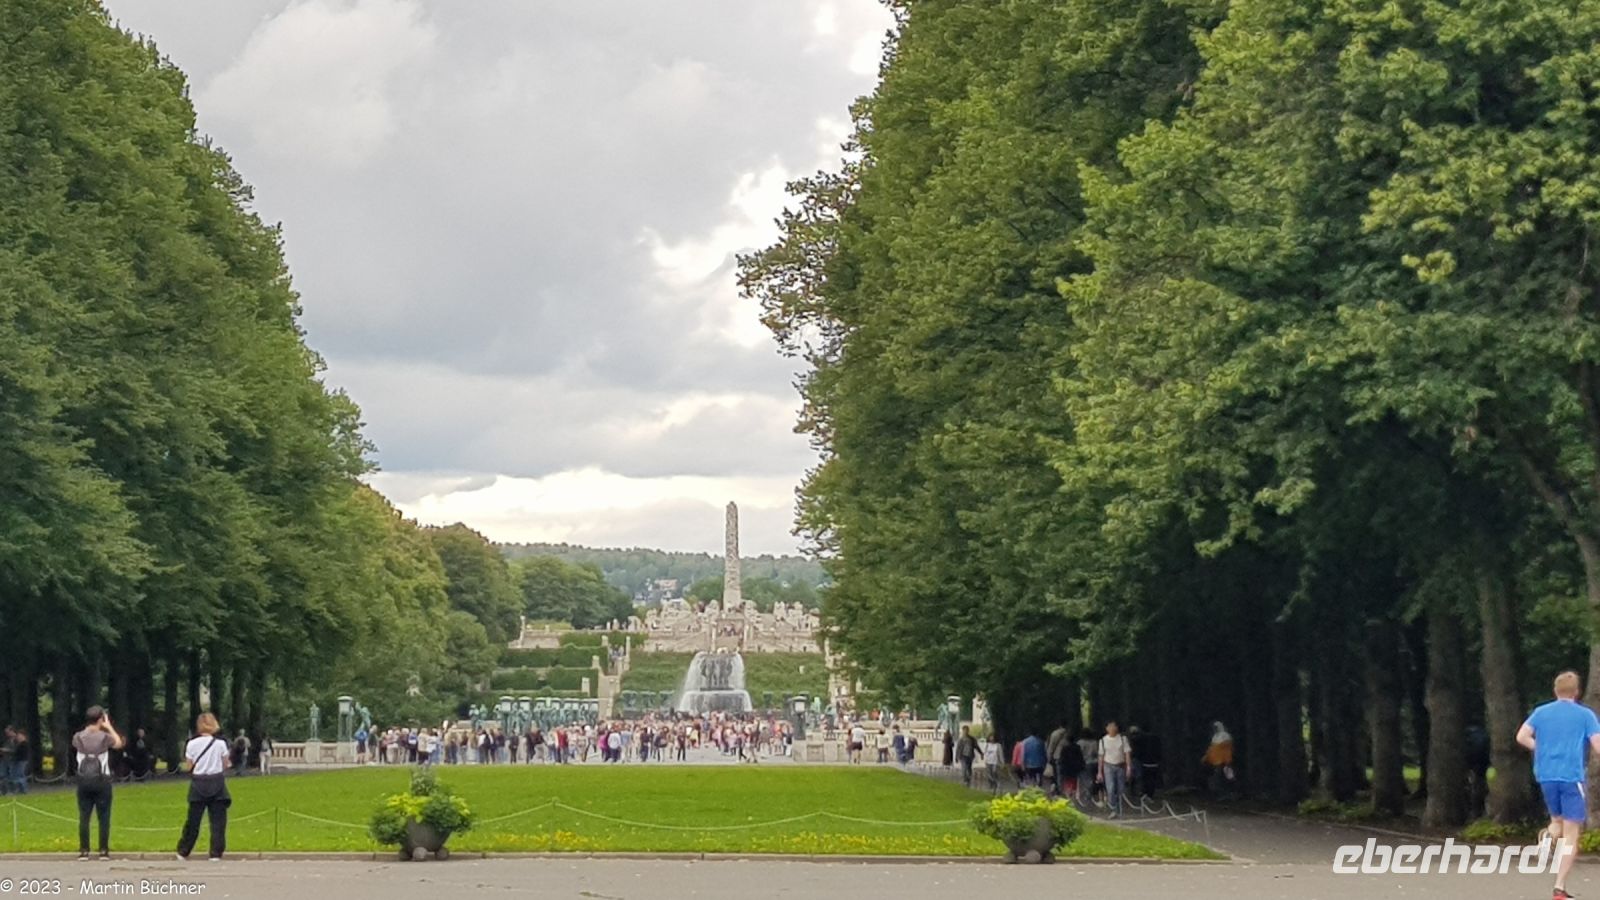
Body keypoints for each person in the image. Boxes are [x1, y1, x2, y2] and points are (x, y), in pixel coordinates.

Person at [1517, 670, 1600, 900]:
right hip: (1571, 777)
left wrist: (1541, 748)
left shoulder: (1541, 712)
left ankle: (1548, 836)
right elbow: (1598, 745)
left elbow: (1522, 736)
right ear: (1577, 692)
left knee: (1557, 821)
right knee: (1572, 834)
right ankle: (1559, 887)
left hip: (1545, 775)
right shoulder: (1585, 715)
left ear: (1555, 690)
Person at [177, 713, 232, 862]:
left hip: (199, 783)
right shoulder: (220, 744)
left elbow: (189, 766)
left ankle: (183, 850)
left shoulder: (191, 744)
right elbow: (225, 764)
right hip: (216, 781)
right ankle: (215, 852)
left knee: (193, 820)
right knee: (218, 821)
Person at [72, 706, 123, 860]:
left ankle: (84, 850)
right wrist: (109, 727)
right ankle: (103, 850)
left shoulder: (78, 737)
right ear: (101, 719)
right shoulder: (104, 737)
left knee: (84, 816)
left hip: (84, 781)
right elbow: (119, 744)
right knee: (104, 816)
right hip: (102, 780)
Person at [1098, 721, 1133, 818]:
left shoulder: (1122, 739)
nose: (1112, 728)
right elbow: (1101, 756)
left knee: (1120, 788)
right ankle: (1113, 808)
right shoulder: (1103, 740)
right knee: (1110, 788)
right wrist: (1099, 772)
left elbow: (1127, 753)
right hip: (1108, 765)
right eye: (1110, 726)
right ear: (1107, 728)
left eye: (1114, 726)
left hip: (1120, 765)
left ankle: (1120, 809)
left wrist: (1128, 767)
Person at [1202, 721, 1235, 796]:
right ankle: (1217, 793)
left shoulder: (1225, 736)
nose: (1214, 729)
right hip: (1214, 761)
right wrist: (1206, 757)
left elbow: (1227, 750)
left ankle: (1226, 793)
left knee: (1224, 777)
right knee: (1215, 776)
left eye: (1216, 727)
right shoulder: (1215, 737)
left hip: (1222, 761)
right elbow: (1211, 749)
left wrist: (1227, 760)